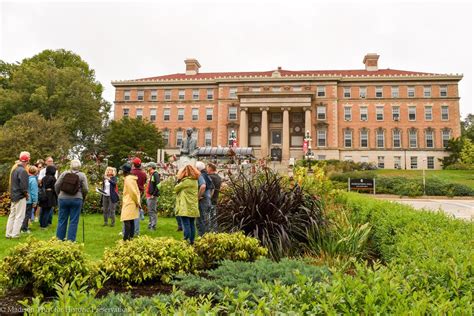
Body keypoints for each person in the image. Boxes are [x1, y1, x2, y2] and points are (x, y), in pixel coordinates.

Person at [55, 159, 89, 242]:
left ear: (70, 166)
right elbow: (85, 189)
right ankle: (71, 240)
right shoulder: (82, 175)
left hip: (63, 198)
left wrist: (59, 194)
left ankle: (59, 239)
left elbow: (57, 185)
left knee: (62, 219)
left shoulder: (64, 173)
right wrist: (83, 197)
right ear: (79, 166)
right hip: (77, 199)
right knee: (74, 220)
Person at [6, 152, 30, 239]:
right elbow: (24, 186)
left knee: (12, 215)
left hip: (13, 195)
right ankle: (15, 234)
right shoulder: (23, 171)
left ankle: (8, 233)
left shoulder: (14, 170)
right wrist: (26, 195)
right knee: (19, 216)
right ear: (26, 162)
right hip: (20, 196)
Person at [174, 165, 200, 244]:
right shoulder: (195, 181)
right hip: (193, 206)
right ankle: (192, 241)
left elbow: (175, 188)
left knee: (186, 224)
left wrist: (179, 179)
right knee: (192, 224)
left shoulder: (186, 181)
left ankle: (186, 239)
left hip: (185, 206)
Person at [121, 163, 140, 241]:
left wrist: (137, 202)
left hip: (130, 201)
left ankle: (126, 239)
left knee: (126, 220)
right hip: (131, 201)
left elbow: (133, 192)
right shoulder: (130, 178)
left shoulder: (128, 179)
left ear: (124, 171)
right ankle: (130, 238)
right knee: (131, 220)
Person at [195, 161, 214, 236]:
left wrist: (198, 197)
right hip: (208, 200)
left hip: (203, 201)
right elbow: (212, 188)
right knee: (207, 220)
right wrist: (209, 197)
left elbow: (203, 186)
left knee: (200, 220)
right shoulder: (207, 175)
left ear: (197, 168)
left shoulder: (200, 175)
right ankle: (207, 237)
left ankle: (202, 237)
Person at [131, 157, 147, 235]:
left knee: (130, 212)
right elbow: (144, 182)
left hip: (131, 193)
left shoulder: (131, 173)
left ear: (133, 164)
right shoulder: (143, 173)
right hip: (140, 193)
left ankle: (130, 230)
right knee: (137, 211)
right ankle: (136, 231)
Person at [21, 166, 38, 233]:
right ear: (35, 172)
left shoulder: (26, 178)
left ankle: (21, 227)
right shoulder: (33, 180)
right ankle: (24, 228)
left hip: (23, 198)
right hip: (29, 200)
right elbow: (34, 192)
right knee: (27, 214)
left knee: (22, 214)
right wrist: (35, 201)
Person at [207, 162, 222, 231]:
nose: (206, 169)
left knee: (209, 217)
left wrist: (208, 197)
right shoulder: (218, 177)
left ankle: (210, 231)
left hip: (211, 199)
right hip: (216, 198)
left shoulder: (210, 177)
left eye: (207, 167)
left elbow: (211, 189)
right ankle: (215, 230)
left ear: (210, 168)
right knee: (214, 216)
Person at [146, 162, 160, 230]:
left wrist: (154, 194)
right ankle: (150, 225)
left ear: (151, 167)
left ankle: (153, 226)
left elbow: (158, 185)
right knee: (150, 211)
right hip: (149, 195)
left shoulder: (155, 174)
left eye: (148, 166)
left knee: (152, 211)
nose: (147, 168)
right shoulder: (152, 175)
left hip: (152, 196)